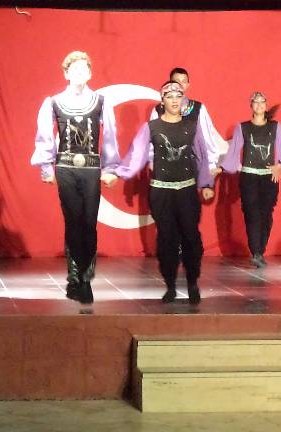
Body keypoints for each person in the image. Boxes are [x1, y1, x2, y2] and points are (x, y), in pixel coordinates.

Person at [31, 51, 120, 305]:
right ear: (66, 73)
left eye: (84, 69)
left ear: (90, 73)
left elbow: (110, 137)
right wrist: (46, 167)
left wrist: (111, 168)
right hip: (66, 168)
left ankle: (86, 276)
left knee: (89, 222)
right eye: (75, 69)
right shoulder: (54, 102)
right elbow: (45, 137)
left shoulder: (101, 101)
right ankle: (75, 278)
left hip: (91, 169)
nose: (80, 73)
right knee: (73, 221)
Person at [117, 81, 215, 304]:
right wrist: (120, 173)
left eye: (178, 96)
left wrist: (206, 184)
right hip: (161, 191)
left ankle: (192, 282)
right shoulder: (151, 127)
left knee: (191, 236)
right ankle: (170, 284)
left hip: (187, 191)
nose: (174, 100)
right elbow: (137, 155)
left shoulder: (192, 126)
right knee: (166, 239)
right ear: (162, 100)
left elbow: (202, 156)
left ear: (183, 100)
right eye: (169, 97)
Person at [219, 91, 281, 267]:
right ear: (251, 106)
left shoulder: (275, 127)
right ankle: (256, 252)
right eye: (255, 102)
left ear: (266, 105)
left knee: (266, 213)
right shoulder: (243, 127)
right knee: (251, 213)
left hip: (268, 177)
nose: (259, 105)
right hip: (249, 176)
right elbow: (234, 151)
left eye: (262, 102)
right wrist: (221, 168)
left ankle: (260, 250)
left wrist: (279, 165)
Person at [151, 67, 225, 174]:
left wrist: (210, 164)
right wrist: (152, 162)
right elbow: (152, 139)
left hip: (192, 165)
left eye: (183, 81)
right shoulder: (158, 110)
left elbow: (207, 137)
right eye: (176, 81)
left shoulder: (197, 108)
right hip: (164, 166)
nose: (180, 85)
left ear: (188, 84)